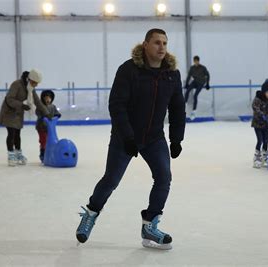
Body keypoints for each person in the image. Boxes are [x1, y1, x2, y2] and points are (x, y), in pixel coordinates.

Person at [75, 29, 186, 250]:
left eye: (165, 43)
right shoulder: (129, 70)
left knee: (164, 178)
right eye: (156, 42)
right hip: (125, 137)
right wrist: (127, 137)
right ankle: (91, 212)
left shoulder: (172, 74)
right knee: (111, 180)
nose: (162, 47)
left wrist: (176, 139)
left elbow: (177, 108)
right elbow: (117, 105)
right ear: (145, 45)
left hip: (154, 138)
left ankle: (150, 225)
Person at [0, 69, 49, 166]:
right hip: (9, 112)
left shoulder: (30, 88)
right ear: (30, 79)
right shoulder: (17, 84)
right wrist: (21, 105)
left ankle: (18, 154)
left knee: (17, 134)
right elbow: (9, 99)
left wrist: (46, 113)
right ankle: (11, 155)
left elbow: (37, 101)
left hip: (18, 113)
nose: (36, 85)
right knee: (11, 133)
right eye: (35, 83)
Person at [35, 90, 61, 162]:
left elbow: (56, 112)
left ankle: (50, 153)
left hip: (50, 128)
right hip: (41, 127)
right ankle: (43, 154)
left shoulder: (53, 106)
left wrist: (58, 115)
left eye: (49, 98)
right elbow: (38, 113)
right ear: (43, 98)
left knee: (51, 140)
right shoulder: (40, 106)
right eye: (46, 98)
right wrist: (43, 117)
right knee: (44, 141)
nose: (47, 100)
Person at [184, 55, 210, 120]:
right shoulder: (192, 68)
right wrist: (187, 84)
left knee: (195, 95)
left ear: (198, 61)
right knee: (187, 91)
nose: (195, 62)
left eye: (196, 61)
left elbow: (208, 75)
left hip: (201, 83)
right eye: (194, 61)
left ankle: (194, 111)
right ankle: (184, 105)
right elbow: (189, 76)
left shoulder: (203, 68)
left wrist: (207, 84)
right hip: (195, 81)